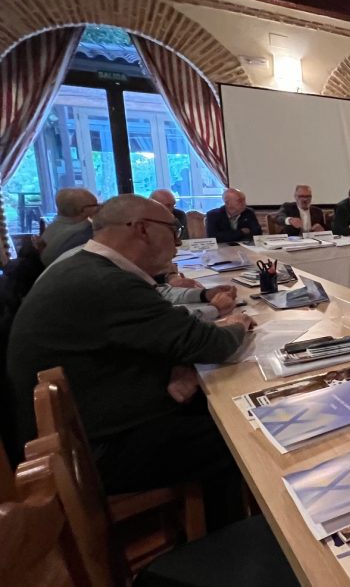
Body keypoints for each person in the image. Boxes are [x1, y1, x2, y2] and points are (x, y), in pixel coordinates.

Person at [6, 194, 252, 526]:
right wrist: (237, 324)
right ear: (142, 230)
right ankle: (227, 545)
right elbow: (214, 344)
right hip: (94, 453)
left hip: (82, 425)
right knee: (238, 433)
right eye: (173, 229)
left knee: (213, 400)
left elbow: (157, 332)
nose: (178, 240)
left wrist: (181, 365)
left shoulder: (80, 262)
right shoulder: (106, 281)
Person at [40, 188, 99, 265]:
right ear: (83, 210)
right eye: (95, 205)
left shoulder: (50, 228)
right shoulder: (85, 233)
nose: (98, 207)